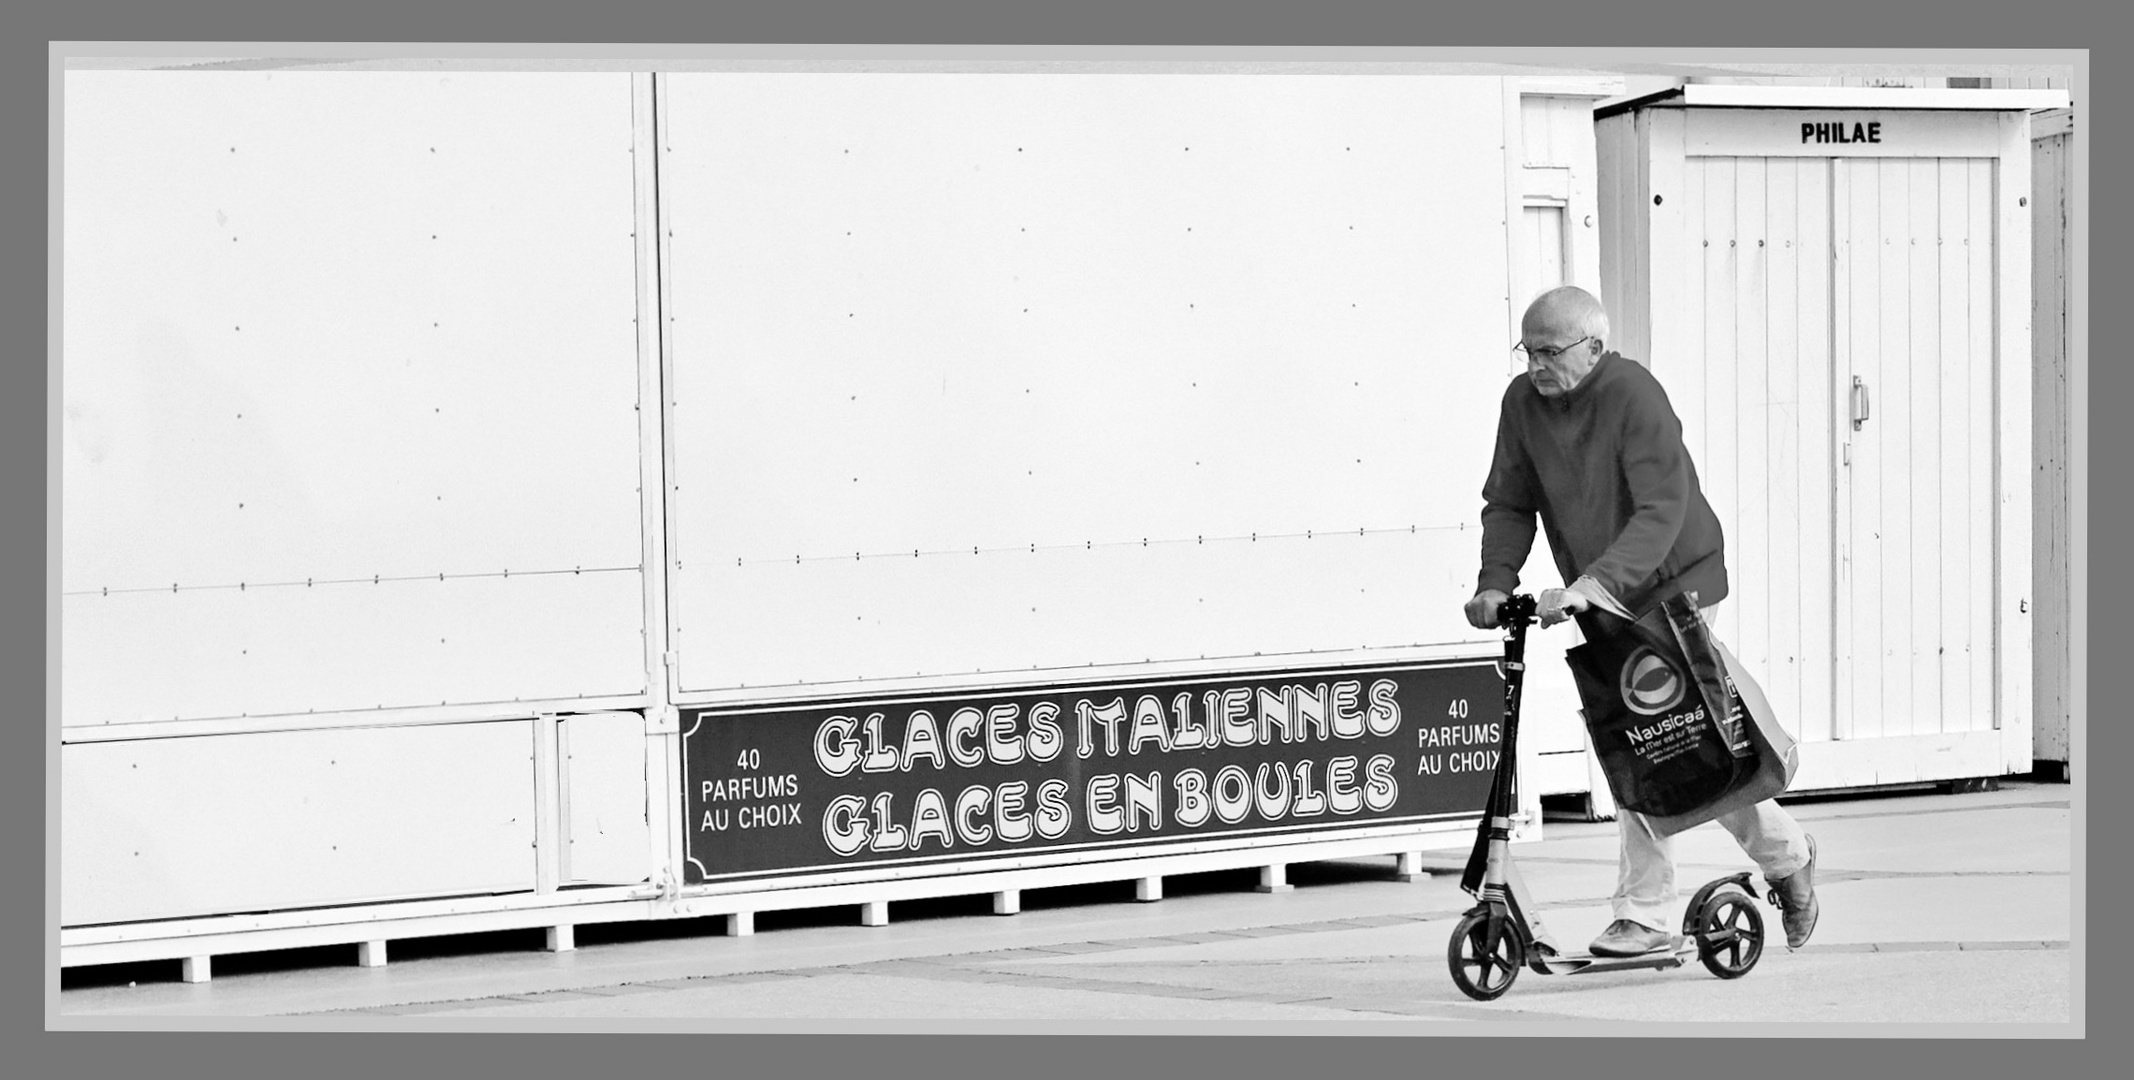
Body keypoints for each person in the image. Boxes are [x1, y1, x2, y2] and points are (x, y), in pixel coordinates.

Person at [1463, 285, 1820, 956]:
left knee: (1644, 736)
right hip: (1599, 592)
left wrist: (1594, 586)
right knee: (1678, 745)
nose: (1536, 366)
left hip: (1671, 582)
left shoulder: (1633, 394)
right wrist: (1494, 583)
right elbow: (1508, 503)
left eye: (1550, 352)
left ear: (1594, 348)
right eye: (1528, 350)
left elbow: (1661, 509)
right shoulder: (1522, 404)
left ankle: (1645, 914)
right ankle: (1787, 855)